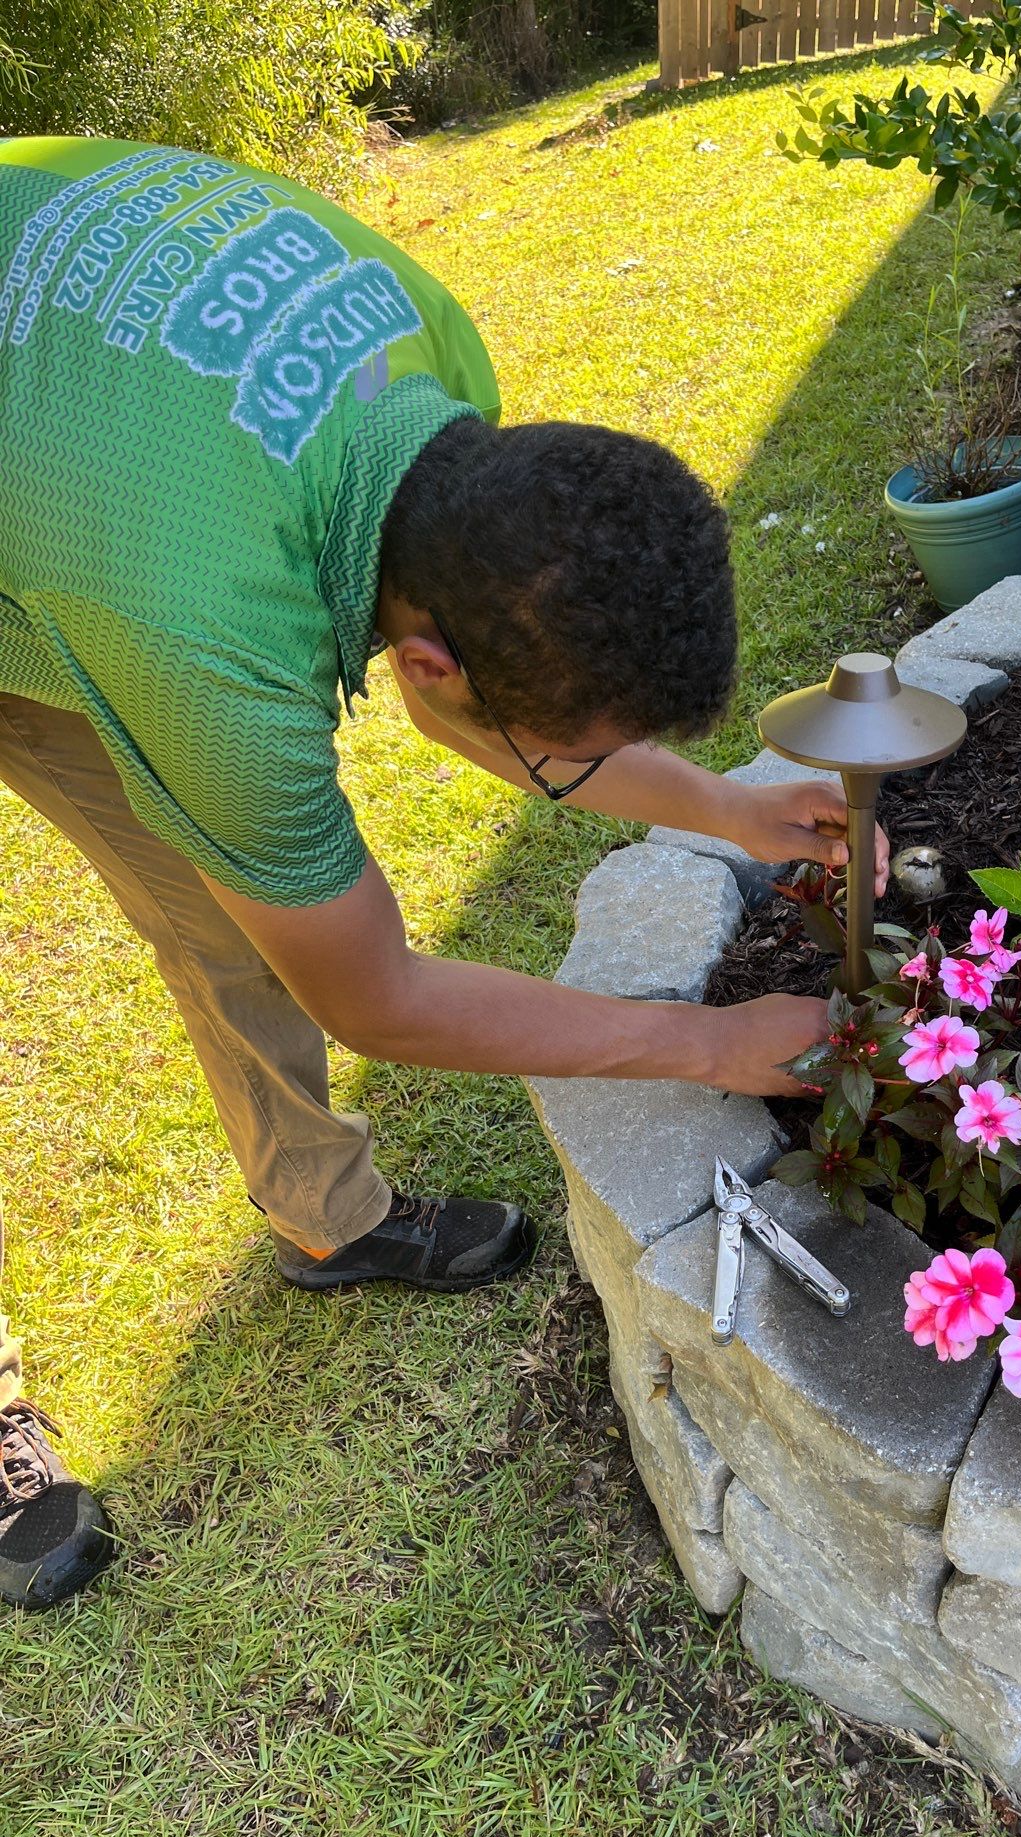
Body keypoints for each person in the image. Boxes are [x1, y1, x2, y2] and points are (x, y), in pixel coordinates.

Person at [0, 135, 888, 1609]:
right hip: (101, 532)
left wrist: (731, 810)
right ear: (427, 661)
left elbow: (480, 717)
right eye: (570, 755)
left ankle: (323, 1214)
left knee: (235, 896)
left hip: (71, 486)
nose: (574, 768)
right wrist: (709, 1042)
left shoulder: (431, 366)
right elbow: (380, 999)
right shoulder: (212, 642)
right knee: (275, 888)